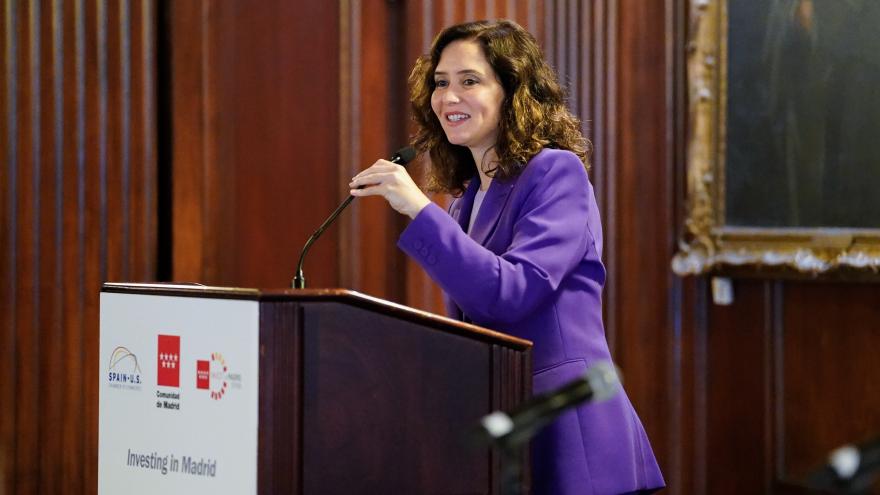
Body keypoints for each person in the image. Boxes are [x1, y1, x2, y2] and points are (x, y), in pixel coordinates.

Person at [349, 19, 664, 495]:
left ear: (512, 91)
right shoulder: (467, 198)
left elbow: (511, 292)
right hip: (508, 420)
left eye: (469, 81)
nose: (448, 98)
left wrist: (416, 207)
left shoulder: (556, 172)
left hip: (568, 428)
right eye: (440, 83)